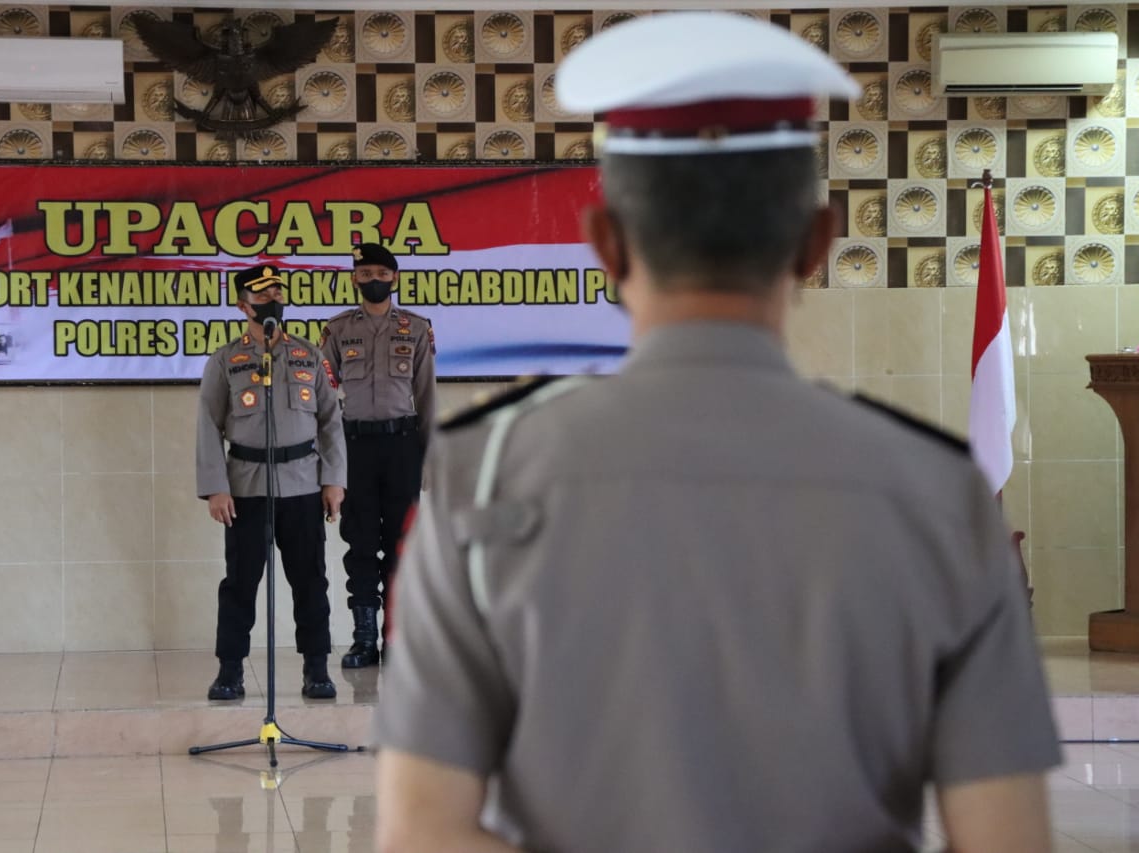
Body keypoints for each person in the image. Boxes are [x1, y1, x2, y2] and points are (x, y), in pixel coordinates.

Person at [373, 12, 1061, 853]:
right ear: (816, 243)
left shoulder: (480, 475)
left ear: (605, 243)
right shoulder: (942, 492)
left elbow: (421, 833)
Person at [197, 264, 347, 701]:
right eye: (261, 296)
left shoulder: (309, 356)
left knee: (310, 581)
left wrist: (334, 481)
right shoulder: (226, 360)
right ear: (243, 306)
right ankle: (230, 672)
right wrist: (215, 487)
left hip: (302, 485)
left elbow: (330, 422)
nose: (272, 301)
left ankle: (316, 668)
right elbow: (208, 425)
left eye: (277, 292)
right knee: (240, 584)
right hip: (245, 488)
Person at [318, 243, 435, 669]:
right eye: (364, 272)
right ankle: (364, 639)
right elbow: (325, 403)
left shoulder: (416, 329)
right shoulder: (336, 331)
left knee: (402, 546)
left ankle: (397, 639)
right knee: (361, 544)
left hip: (402, 446)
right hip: (354, 449)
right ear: (353, 278)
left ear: (395, 278)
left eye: (381, 273)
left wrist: (429, 458)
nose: (373, 280)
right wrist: (328, 463)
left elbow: (426, 397)